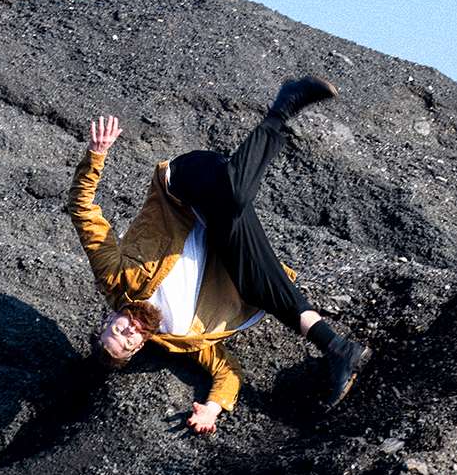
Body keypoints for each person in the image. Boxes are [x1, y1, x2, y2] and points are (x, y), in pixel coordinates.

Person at [69, 77, 372, 433]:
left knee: (232, 192)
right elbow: (227, 371)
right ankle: (338, 349)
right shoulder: (180, 339)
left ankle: (283, 107)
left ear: (109, 320)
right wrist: (212, 408)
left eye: (118, 330)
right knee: (259, 288)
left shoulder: (115, 277)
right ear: (137, 349)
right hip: (220, 232)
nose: (130, 329)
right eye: (128, 341)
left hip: (181, 187)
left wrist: (96, 155)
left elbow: (81, 208)